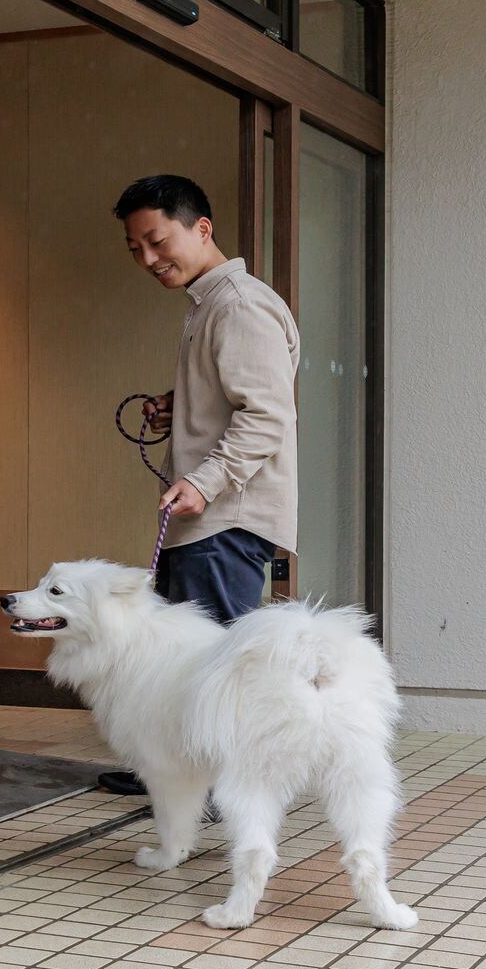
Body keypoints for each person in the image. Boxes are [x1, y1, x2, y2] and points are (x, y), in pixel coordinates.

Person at [96, 175, 300, 798]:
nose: (149, 260)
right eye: (135, 249)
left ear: (201, 229)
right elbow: (231, 400)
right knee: (193, 662)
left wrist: (205, 483)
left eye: (157, 241)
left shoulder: (238, 304)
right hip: (210, 517)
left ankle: (223, 792)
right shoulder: (209, 305)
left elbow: (267, 414)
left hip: (226, 519)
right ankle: (183, 778)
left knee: (215, 667)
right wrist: (175, 405)